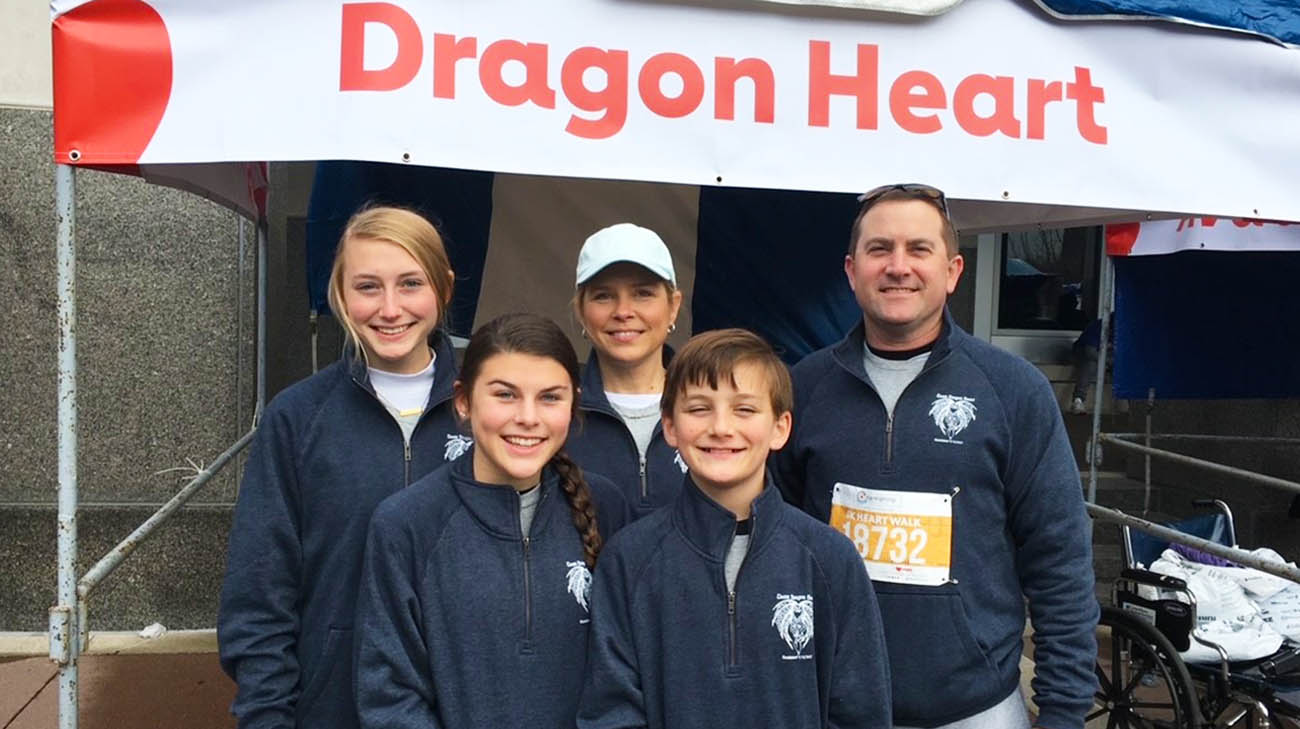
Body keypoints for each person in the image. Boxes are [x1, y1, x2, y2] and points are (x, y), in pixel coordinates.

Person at [773, 184, 1098, 729]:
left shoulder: (1014, 391)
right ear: (852, 271)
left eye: (918, 249)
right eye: (880, 250)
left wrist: (1064, 713)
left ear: (951, 272)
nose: (898, 267)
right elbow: (770, 539)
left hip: (976, 710)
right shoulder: (804, 388)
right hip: (829, 705)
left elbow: (1059, 561)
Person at [218, 205, 463, 729]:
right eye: (368, 286)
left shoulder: (492, 410)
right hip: (333, 706)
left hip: (467, 701)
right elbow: (261, 589)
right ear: (339, 294)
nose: (391, 308)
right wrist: (266, 715)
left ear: (443, 288)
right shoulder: (299, 417)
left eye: (411, 283)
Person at [579, 328, 891, 729]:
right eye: (699, 409)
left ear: (781, 427)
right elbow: (611, 711)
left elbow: (859, 711)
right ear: (670, 426)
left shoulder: (830, 559)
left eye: (744, 409)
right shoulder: (629, 560)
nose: (721, 428)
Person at [354, 312, 632, 729]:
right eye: (505, 395)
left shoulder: (606, 507)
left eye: (550, 397)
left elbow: (626, 677)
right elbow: (390, 693)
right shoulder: (407, 524)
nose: (527, 417)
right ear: (463, 401)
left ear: (574, 402)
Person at [565, 223, 686, 517]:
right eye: (603, 296)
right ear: (581, 310)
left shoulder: (712, 409)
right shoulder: (554, 411)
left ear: (673, 306)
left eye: (643, 293)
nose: (623, 311)